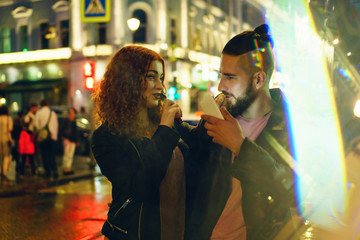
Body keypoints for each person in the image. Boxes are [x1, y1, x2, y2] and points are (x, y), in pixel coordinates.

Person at [175, 24, 298, 239]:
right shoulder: (223, 113)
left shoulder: (290, 127)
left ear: (259, 79)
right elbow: (194, 152)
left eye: (230, 77)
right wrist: (174, 123)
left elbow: (291, 192)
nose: (221, 85)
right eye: (221, 75)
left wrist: (241, 147)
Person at [91, 45, 186, 240]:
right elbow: (142, 185)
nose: (159, 86)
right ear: (128, 81)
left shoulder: (165, 124)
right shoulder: (107, 137)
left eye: (160, 77)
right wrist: (165, 130)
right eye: (151, 77)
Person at [34, 99, 59, 178]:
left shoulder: (39, 113)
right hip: (52, 137)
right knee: (52, 154)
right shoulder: (53, 113)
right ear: (47, 105)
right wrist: (54, 136)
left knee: (44, 154)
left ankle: (47, 172)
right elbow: (56, 125)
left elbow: (36, 125)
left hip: (43, 137)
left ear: (41, 105)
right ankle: (54, 170)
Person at [59, 107, 78, 175]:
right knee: (66, 154)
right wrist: (63, 137)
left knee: (70, 155)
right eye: (70, 113)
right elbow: (61, 129)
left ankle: (68, 168)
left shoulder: (74, 121)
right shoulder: (66, 121)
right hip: (67, 139)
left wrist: (76, 141)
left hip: (72, 140)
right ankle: (65, 168)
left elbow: (75, 132)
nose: (71, 114)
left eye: (73, 113)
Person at [0, 105, 13, 181]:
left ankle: (0, 169)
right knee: (6, 155)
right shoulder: (8, 118)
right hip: (6, 138)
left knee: (0, 155)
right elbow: (10, 129)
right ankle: (4, 171)